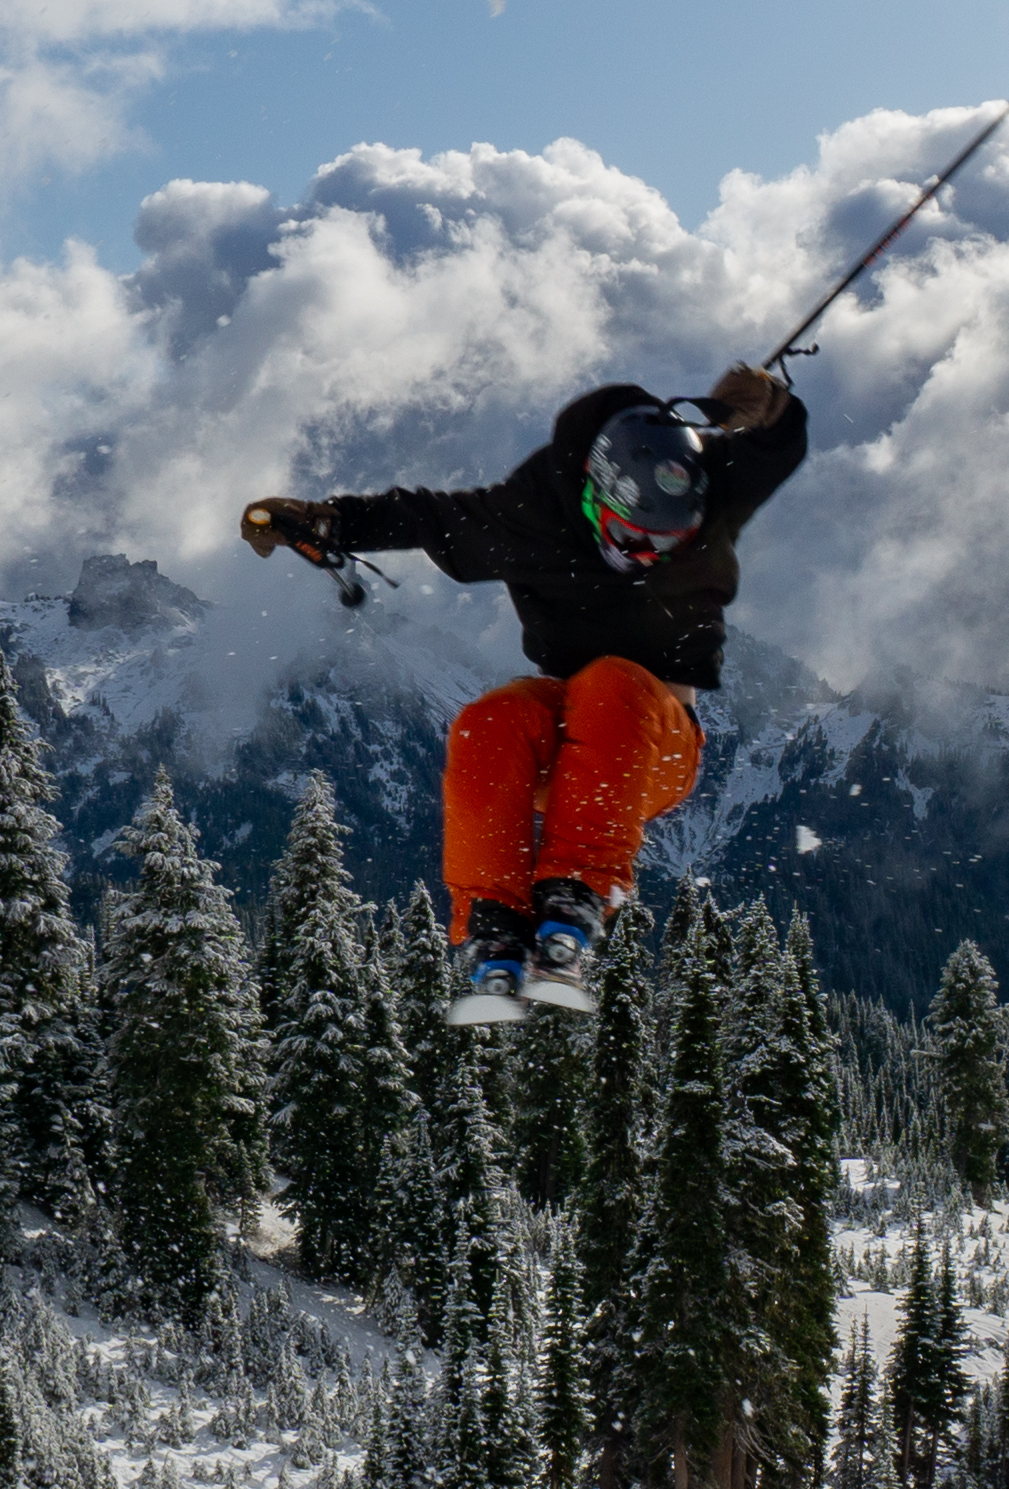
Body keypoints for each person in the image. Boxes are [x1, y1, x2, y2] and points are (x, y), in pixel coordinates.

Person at [243, 366, 807, 1021]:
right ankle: (495, 923)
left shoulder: (713, 483)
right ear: (595, 494)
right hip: (566, 741)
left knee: (613, 681)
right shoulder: (530, 516)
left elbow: (779, 447)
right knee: (491, 719)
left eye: (664, 543)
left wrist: (770, 404)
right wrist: (325, 523)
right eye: (629, 535)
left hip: (655, 746)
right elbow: (423, 516)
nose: (644, 553)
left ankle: (576, 898)